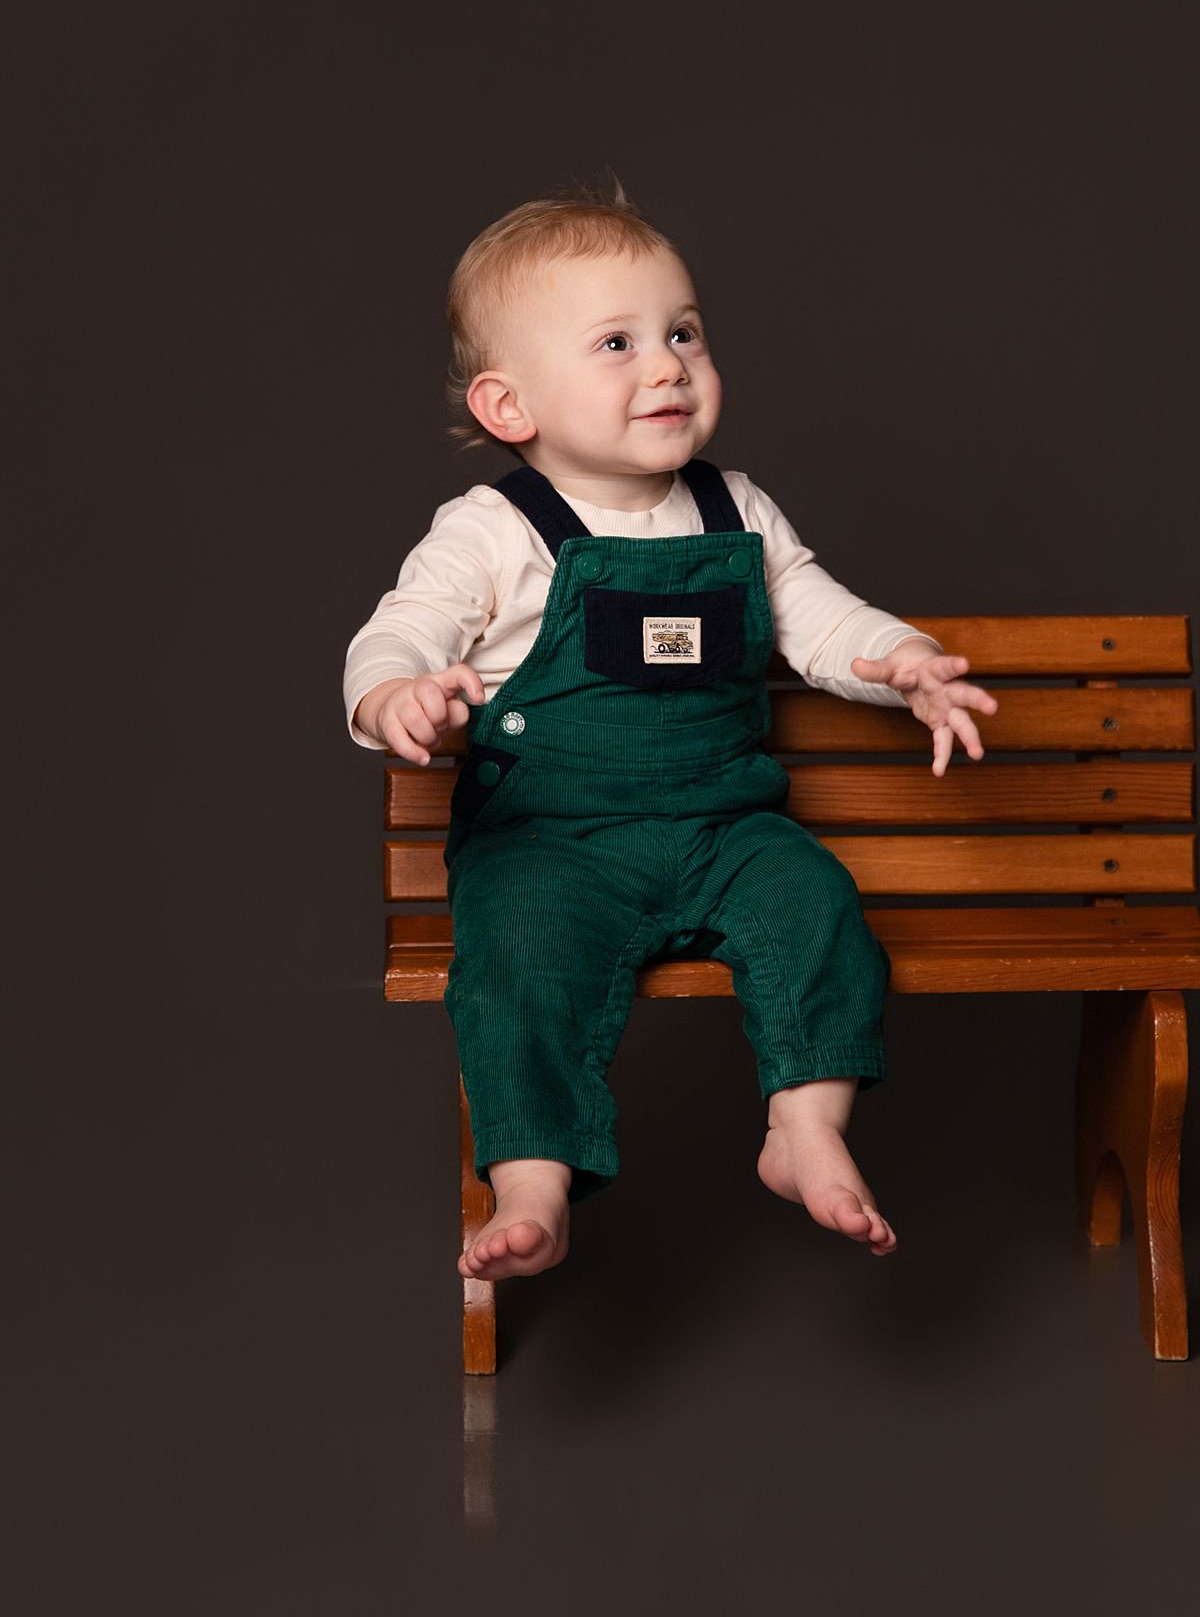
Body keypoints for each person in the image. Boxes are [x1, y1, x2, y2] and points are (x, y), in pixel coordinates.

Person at [343, 186, 998, 1285]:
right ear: (510, 406)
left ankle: (803, 1123)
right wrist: (396, 695)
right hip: (552, 844)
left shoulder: (737, 508)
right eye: (618, 343)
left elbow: (820, 616)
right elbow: (393, 633)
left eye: (683, 332)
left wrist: (904, 664)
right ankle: (534, 1179)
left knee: (819, 911)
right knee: (512, 970)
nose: (669, 366)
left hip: (723, 825)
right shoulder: (491, 530)